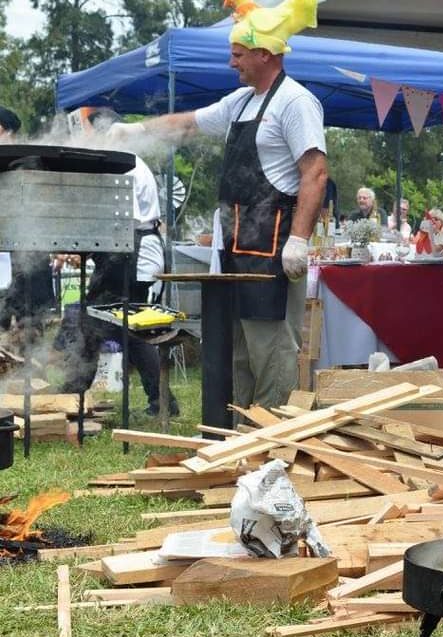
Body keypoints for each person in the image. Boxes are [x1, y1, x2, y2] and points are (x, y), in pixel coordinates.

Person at [108, 0, 325, 414]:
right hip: (235, 252)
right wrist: (134, 130)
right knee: (239, 353)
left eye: (238, 54)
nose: (231, 63)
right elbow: (187, 123)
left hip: (272, 252)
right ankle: (244, 434)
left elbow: (314, 172)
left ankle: (272, 439)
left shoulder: (296, 102)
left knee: (273, 352)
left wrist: (298, 240)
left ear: (265, 54)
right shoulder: (241, 102)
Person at [56, 108, 177, 415]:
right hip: (124, 251)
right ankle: (75, 393)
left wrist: (84, 244)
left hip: (134, 252)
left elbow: (123, 221)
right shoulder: (120, 160)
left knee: (126, 325)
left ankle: (160, 402)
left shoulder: (125, 164)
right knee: (102, 321)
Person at [0, 106, 56, 356]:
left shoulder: (26, 161)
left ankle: (27, 377)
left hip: (28, 257)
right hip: (11, 258)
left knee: (29, 323)